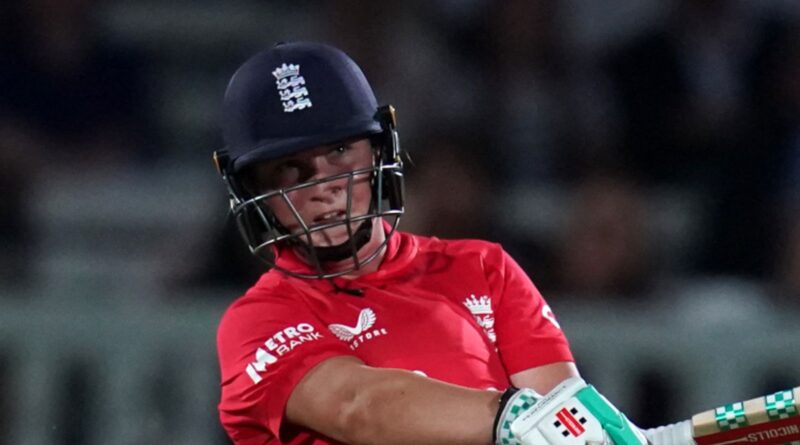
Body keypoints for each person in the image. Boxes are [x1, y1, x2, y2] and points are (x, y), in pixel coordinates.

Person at [212, 41, 647, 445]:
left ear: (378, 152)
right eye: (290, 168)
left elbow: (563, 421)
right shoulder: (256, 322)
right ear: (252, 189)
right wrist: (508, 415)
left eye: (341, 150)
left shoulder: (482, 268)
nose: (325, 185)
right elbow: (356, 406)